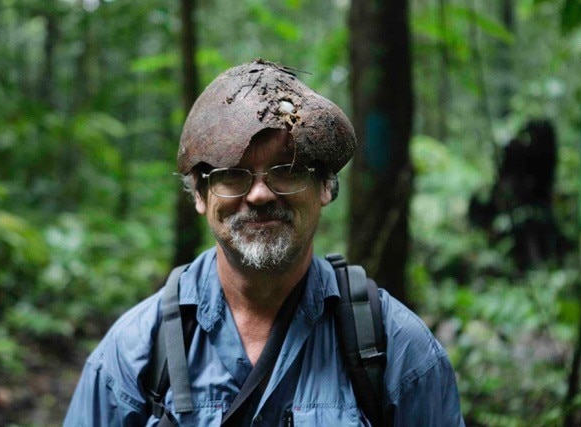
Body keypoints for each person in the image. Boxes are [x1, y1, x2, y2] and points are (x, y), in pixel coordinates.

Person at [65, 59, 465, 426]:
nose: (259, 195)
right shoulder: (134, 353)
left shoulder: (397, 351)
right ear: (201, 196)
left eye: (287, 169)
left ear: (324, 186)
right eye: (233, 174)